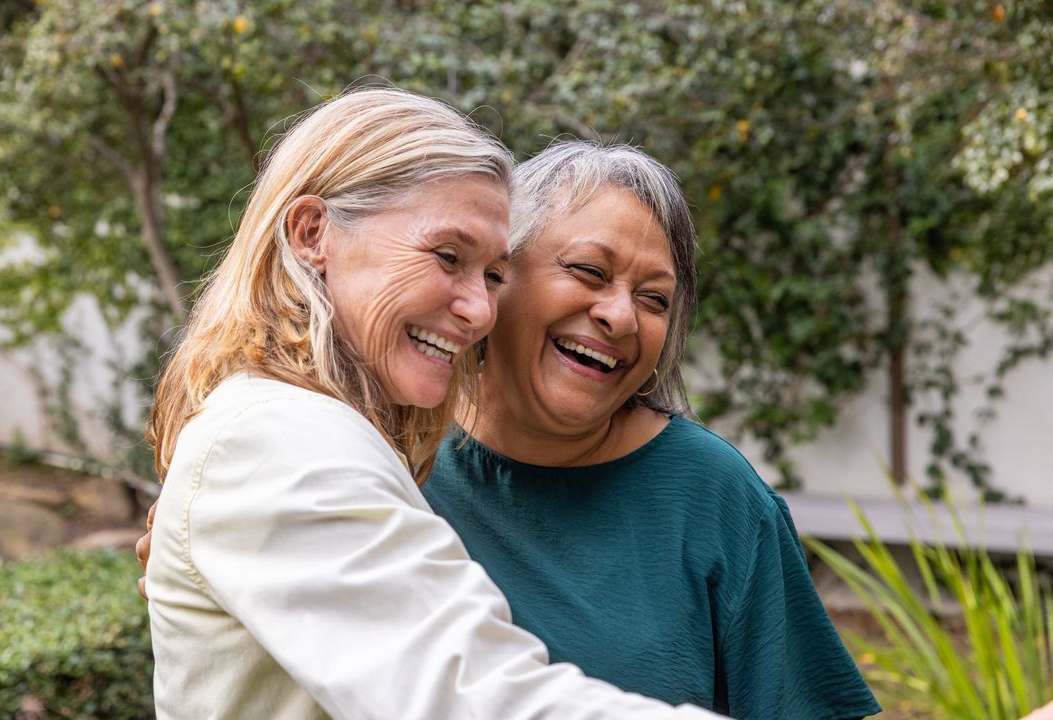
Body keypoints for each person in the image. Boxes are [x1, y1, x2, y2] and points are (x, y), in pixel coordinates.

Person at [142, 86, 726, 719]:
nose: (479, 311)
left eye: (494, 276)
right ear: (313, 233)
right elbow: (478, 699)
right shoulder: (279, 439)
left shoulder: (324, 438)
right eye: (448, 256)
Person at [419, 141, 881, 720]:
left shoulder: (714, 494)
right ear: (496, 274)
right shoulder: (394, 453)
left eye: (654, 299)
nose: (621, 316)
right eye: (589, 271)